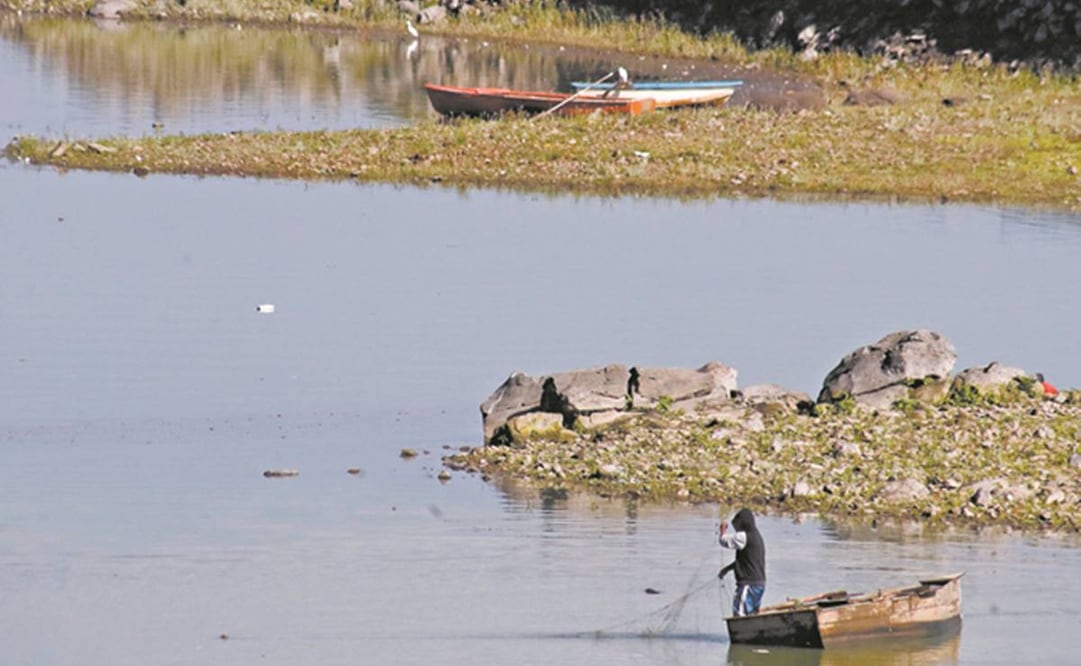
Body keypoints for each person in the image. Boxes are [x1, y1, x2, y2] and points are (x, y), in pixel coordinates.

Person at [718, 508, 766, 616]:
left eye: (737, 527)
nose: (737, 531)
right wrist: (727, 569)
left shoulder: (744, 536)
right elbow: (746, 562)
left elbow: (724, 541)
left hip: (749, 584)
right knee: (751, 615)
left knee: (739, 615)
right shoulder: (757, 537)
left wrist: (722, 531)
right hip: (759, 584)